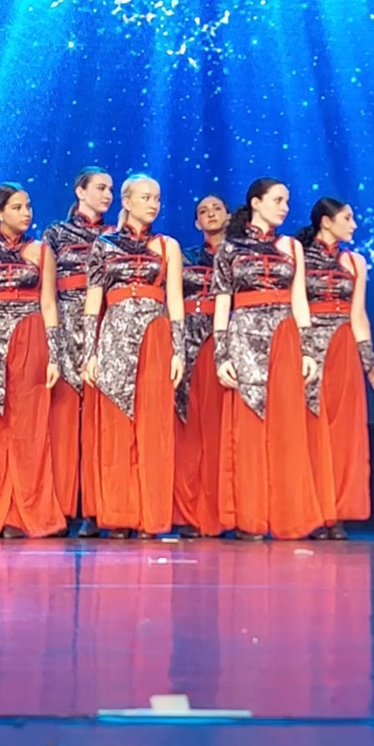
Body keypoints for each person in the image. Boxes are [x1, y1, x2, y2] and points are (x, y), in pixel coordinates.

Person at [215, 177, 329, 540]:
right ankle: (251, 517)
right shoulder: (229, 248)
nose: (285, 207)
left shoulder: (291, 246)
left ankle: (288, 515)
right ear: (256, 202)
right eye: (278, 200)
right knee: (249, 427)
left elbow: (300, 299)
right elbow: (222, 303)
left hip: (284, 336)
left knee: (286, 426)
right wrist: (221, 353)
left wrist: (308, 349)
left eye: (287, 201)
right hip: (244, 337)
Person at [0, 184, 67, 539]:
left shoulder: (41, 251)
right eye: (17, 207)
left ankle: (23, 512)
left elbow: (49, 303)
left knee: (27, 427)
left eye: (28, 206)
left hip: (29, 336)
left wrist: (54, 354)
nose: (26, 213)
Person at [81, 174, 186, 538]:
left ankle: (149, 516)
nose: (153, 204)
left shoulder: (168, 246)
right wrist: (89, 353)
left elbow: (175, 301)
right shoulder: (104, 244)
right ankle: (119, 514)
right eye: (145, 197)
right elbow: (92, 303)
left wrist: (178, 350)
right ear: (126, 201)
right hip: (113, 336)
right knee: (116, 426)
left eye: (157, 198)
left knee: (153, 426)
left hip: (155, 337)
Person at [298, 198, 374, 539]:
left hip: (343, 347)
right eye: (347, 218)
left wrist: (370, 363)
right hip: (309, 349)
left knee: (342, 432)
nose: (354, 224)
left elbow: (358, 315)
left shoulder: (354, 261)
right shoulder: (297, 255)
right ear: (326, 221)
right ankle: (311, 510)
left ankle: (336, 513)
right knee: (311, 428)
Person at [42, 167, 116, 535]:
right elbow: (46, 292)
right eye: (100, 188)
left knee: (101, 421)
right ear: (80, 191)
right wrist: (52, 338)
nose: (107, 195)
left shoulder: (117, 234)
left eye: (111, 189)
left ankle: (97, 508)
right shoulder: (56, 234)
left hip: (106, 326)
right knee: (64, 420)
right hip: (67, 324)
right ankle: (61, 507)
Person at [173, 194, 228, 537]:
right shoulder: (185, 257)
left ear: (229, 216)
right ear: (196, 222)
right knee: (188, 425)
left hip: (224, 341)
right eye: (203, 211)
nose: (210, 214)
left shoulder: (240, 255)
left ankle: (223, 511)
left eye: (216, 209)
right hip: (187, 338)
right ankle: (189, 514)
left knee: (220, 426)